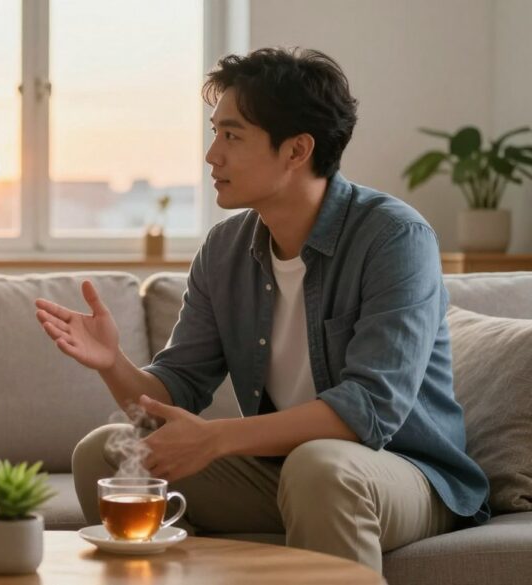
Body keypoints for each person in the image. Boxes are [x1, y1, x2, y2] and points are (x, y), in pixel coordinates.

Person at [35, 47, 489, 572]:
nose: (211, 155)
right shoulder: (226, 249)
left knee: (320, 468)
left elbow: (370, 407)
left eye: (231, 136)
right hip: (285, 471)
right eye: (214, 133)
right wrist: (112, 362)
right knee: (106, 454)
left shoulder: (394, 238)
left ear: (296, 150)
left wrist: (218, 439)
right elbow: (173, 391)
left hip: (407, 473)